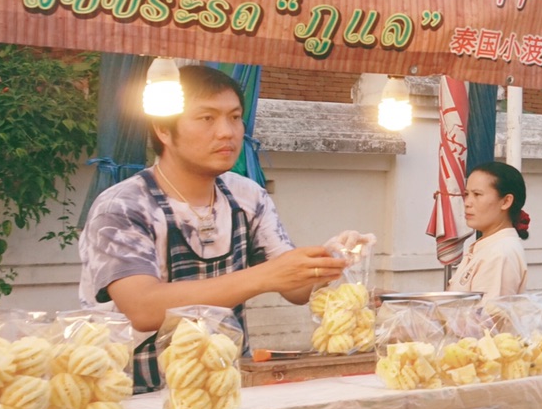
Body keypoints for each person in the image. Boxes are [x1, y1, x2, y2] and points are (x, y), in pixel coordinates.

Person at [78, 64, 347, 391]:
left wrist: (332, 261)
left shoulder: (247, 196)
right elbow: (143, 307)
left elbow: (294, 290)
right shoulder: (124, 205)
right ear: (164, 129)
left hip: (220, 388)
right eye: (207, 118)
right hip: (129, 396)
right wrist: (264, 276)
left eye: (234, 117)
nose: (227, 132)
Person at [450, 162, 530, 296]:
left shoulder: (500, 254)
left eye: (477, 194)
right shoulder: (489, 246)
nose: (467, 203)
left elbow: (487, 315)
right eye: (466, 194)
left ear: (506, 202)